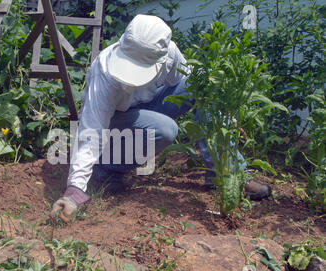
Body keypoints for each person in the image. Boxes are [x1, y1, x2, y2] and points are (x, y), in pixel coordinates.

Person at [51, 14, 271, 222]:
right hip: (114, 124)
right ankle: (106, 169)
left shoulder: (169, 55)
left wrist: (223, 111)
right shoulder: (105, 72)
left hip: (145, 109)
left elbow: (192, 84)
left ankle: (230, 175)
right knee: (165, 129)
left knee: (200, 83)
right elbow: (92, 131)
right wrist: (74, 191)